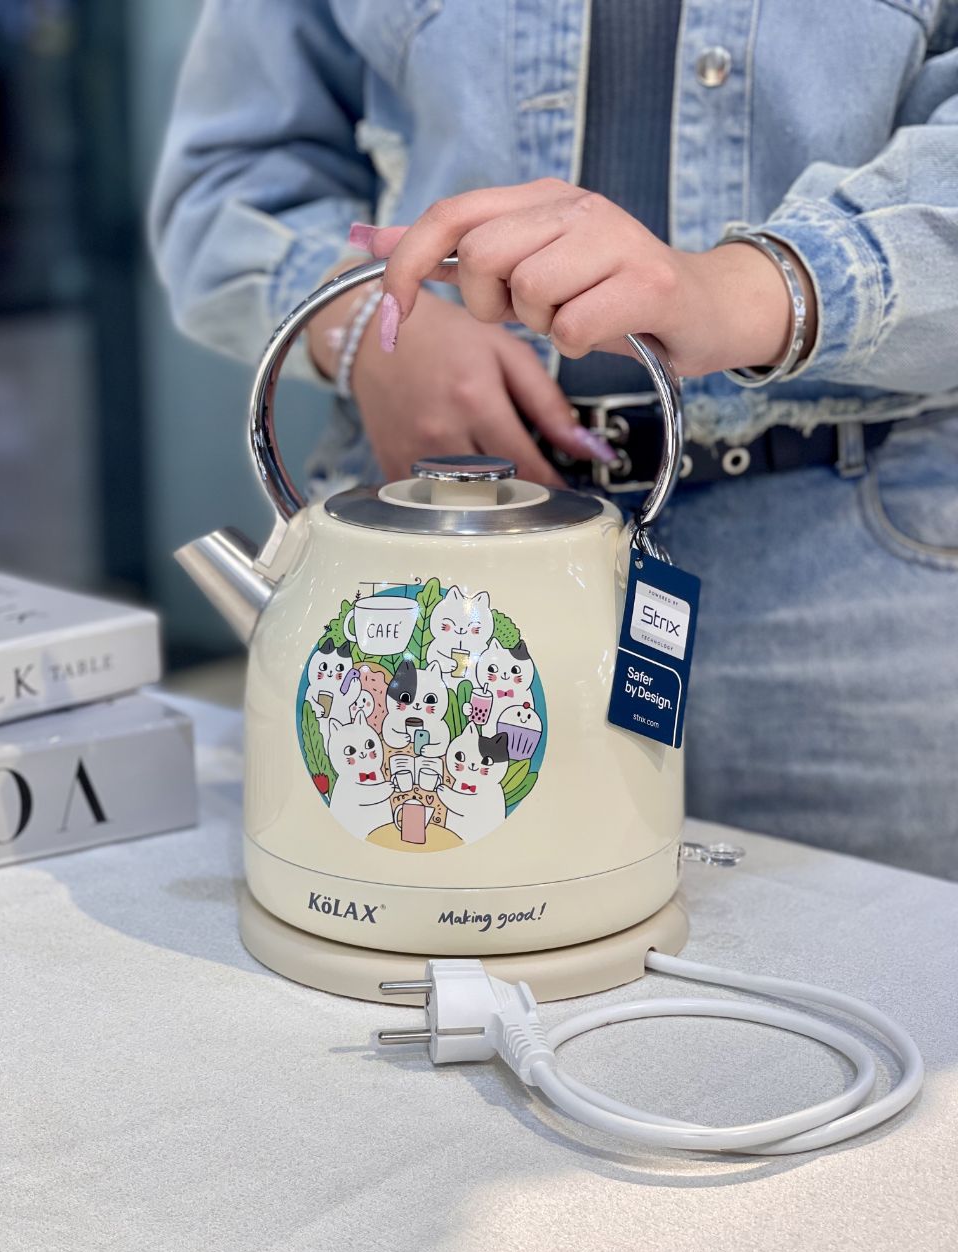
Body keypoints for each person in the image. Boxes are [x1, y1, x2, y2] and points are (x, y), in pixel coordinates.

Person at [150, 2, 958, 876]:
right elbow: (228, 178)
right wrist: (362, 325)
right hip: (439, 552)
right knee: (421, 921)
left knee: (866, 954)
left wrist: (750, 290)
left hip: (862, 574)